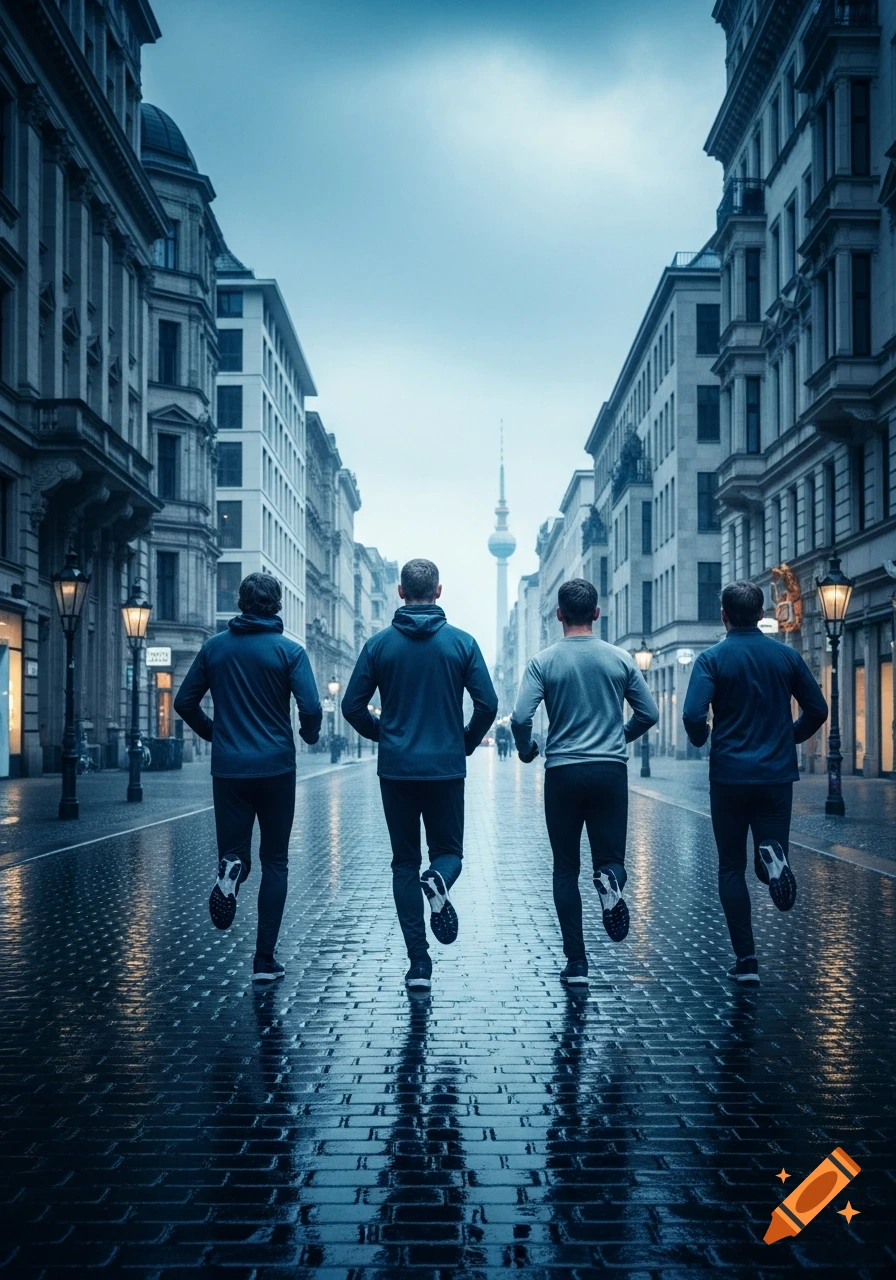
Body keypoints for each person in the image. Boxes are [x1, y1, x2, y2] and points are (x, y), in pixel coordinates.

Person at [341, 558, 497, 990]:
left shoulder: (378, 646)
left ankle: (418, 965)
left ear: (400, 592)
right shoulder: (462, 644)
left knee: (404, 863)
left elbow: (351, 706)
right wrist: (462, 742)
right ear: (439, 592)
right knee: (449, 852)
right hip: (445, 769)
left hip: (397, 771)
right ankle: (440, 879)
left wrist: (385, 735)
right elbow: (488, 704)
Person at [174, 572, 322, 983]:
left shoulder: (213, 649)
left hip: (230, 769)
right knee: (276, 860)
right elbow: (310, 707)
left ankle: (231, 869)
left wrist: (215, 731)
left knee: (236, 851)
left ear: (240, 603)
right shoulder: (289, 652)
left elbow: (183, 702)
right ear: (277, 606)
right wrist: (308, 734)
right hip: (276, 767)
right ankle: (264, 961)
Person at [512, 578, 658, 987]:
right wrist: (617, 737)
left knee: (565, 869)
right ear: (597, 613)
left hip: (562, 772)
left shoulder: (543, 661)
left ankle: (576, 963)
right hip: (609, 771)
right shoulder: (620, 659)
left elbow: (521, 718)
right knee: (610, 858)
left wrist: (527, 749)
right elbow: (648, 713)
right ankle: (610, 881)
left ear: (559, 614)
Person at [682, 580, 828, 984]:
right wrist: (789, 737)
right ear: (762, 614)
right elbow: (818, 708)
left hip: (729, 776)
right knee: (770, 853)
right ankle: (772, 857)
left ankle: (746, 962)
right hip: (776, 775)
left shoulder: (711, 660)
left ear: (724, 616)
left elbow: (694, 716)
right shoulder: (786, 657)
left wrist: (701, 740)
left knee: (730, 867)